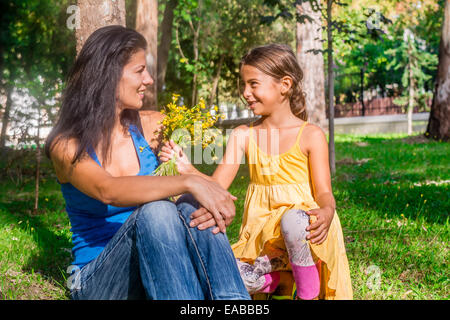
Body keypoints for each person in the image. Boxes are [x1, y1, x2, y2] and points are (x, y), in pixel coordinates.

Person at [44, 25, 250, 300]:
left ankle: (234, 301)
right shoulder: (66, 144)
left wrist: (213, 197)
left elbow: (197, 182)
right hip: (98, 281)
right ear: (109, 74)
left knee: (191, 202)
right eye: (140, 70)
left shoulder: (151, 126)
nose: (150, 80)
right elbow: (108, 190)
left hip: (157, 268)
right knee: (157, 210)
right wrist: (188, 181)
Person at [159, 44, 353, 300]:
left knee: (292, 221)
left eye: (253, 84)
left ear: (284, 85)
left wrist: (328, 211)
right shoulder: (243, 135)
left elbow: (324, 193)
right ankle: (279, 280)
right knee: (226, 275)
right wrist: (186, 168)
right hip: (265, 242)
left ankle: (307, 289)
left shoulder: (310, 135)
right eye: (244, 85)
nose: (245, 93)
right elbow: (217, 186)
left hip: (304, 234)